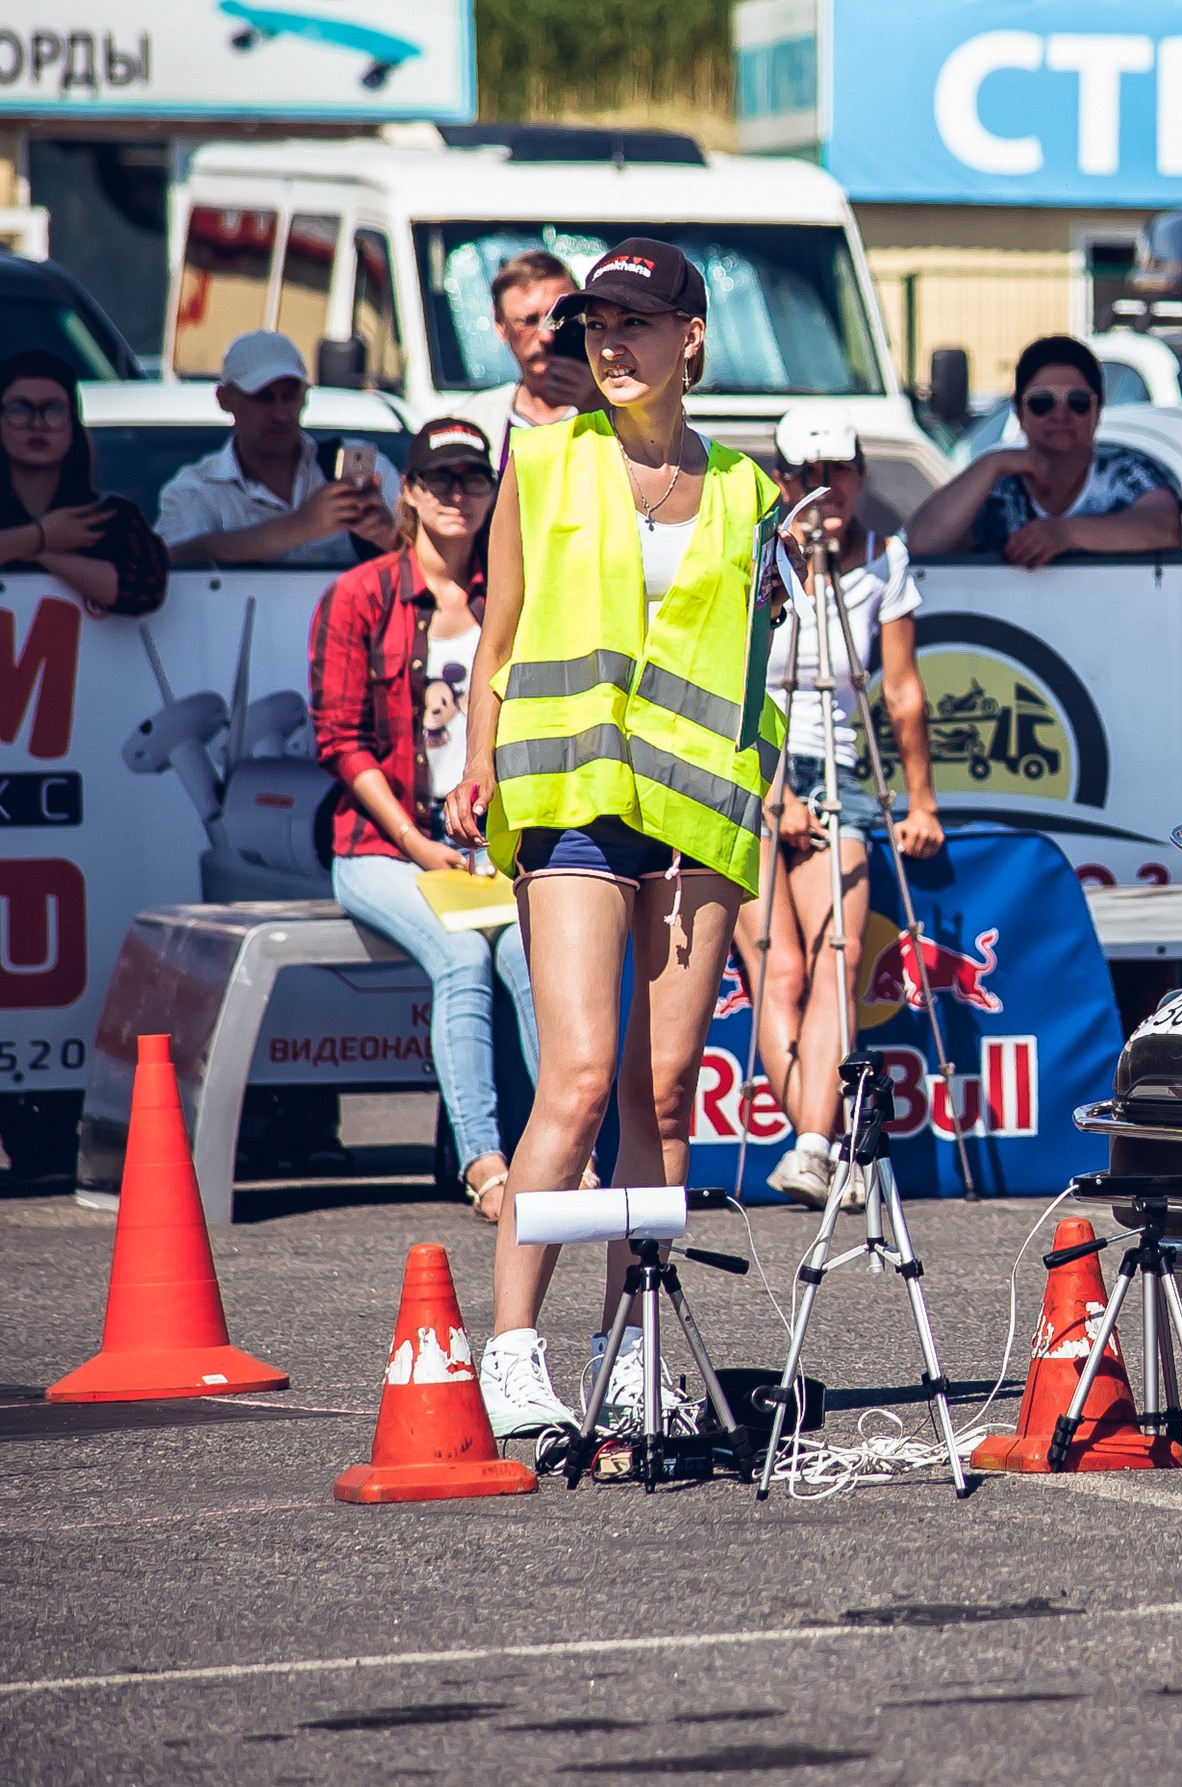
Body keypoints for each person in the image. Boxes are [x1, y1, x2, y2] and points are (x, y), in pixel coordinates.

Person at [446, 239, 789, 1435]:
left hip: (696, 819)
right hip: (573, 797)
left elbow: (754, 669)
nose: (609, 343)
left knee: (665, 1090)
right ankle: (512, 1349)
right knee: (584, 1077)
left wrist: (773, 780)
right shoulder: (539, 460)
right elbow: (499, 637)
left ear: (691, 338)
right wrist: (478, 759)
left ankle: (632, 1344)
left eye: (636, 323)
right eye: (594, 325)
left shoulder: (751, 491)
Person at [309, 418, 539, 1224]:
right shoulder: (360, 593)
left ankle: (559, 1159)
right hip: (381, 844)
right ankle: (486, 1164)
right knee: (460, 960)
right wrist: (419, 846)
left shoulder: (510, 595)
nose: (455, 492)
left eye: (472, 478)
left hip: (491, 849)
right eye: (437, 478)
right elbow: (339, 741)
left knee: (530, 957)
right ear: (407, 491)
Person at [739, 404, 943, 1207]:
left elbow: (901, 691)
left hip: (845, 772)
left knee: (833, 959)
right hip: (750, 767)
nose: (825, 491)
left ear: (861, 473)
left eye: (841, 473)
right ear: (781, 479)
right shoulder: (754, 556)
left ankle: (812, 1145)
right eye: (807, 476)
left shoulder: (886, 561)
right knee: (775, 967)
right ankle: (821, 1145)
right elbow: (732, 683)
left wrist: (921, 799)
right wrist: (772, 792)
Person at [904, 336, 1181, 567]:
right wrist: (993, 462)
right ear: (1018, 411)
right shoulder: (996, 488)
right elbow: (920, 543)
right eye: (1041, 402)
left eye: (1078, 401)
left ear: (1097, 410)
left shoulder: (1128, 472)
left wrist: (1064, 533)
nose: (1060, 414)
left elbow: (1165, 529)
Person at [160, 331, 401, 568]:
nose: (281, 413)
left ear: (305, 397)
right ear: (225, 400)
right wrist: (300, 526)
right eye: (263, 397)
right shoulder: (196, 489)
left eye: (289, 396)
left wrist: (389, 537)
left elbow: (429, 559)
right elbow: (167, 561)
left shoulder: (363, 464)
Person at [0, 350, 167, 616]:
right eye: (19, 409)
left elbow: (144, 590)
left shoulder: (110, 517)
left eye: (54, 410)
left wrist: (39, 552)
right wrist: (40, 537)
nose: (37, 424)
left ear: (73, 425)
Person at [438, 250, 605, 466]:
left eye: (558, 318)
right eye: (529, 321)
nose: (547, 335)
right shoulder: (472, 423)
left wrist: (598, 408)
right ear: (500, 323)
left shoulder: (627, 411)